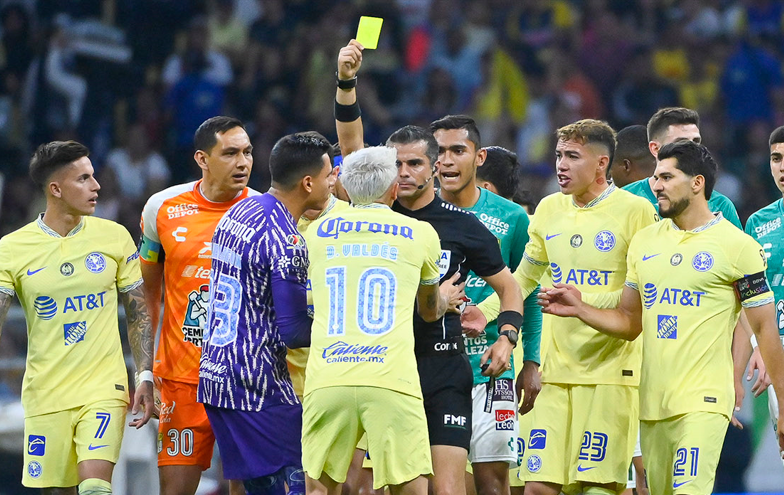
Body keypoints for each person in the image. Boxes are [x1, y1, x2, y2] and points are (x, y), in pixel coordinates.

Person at [538, 140, 784, 495]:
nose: (656, 186)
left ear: (697, 183)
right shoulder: (645, 243)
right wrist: (581, 308)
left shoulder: (737, 247)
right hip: (651, 404)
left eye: (667, 177)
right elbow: (628, 320)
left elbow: (764, 326)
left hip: (704, 402)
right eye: (655, 177)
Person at [335, 40, 525, 495]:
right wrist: (346, 83)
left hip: (442, 368)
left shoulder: (463, 226)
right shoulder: (374, 212)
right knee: (381, 488)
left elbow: (511, 289)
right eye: (395, 164)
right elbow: (350, 143)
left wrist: (506, 338)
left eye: (414, 163)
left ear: (434, 168)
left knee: (446, 488)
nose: (402, 172)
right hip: (382, 365)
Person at [463, 120, 659, 495]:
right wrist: (485, 312)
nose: (561, 165)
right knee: (539, 487)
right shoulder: (550, 208)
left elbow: (644, 296)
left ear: (602, 164)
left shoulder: (636, 212)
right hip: (555, 372)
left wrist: (584, 301)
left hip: (609, 373)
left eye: (573, 156)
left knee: (597, 488)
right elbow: (523, 278)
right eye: (558, 156)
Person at [0, 140, 154, 494]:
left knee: (95, 487)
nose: (96, 186)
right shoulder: (12, 249)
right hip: (45, 391)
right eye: (84, 178)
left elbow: (138, 311)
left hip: (104, 387)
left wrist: (144, 374)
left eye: (94, 176)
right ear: (56, 189)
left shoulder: (113, 236)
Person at [303, 145, 451, 495]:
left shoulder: (315, 233)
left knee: (318, 489)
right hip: (391, 379)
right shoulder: (421, 233)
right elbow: (429, 310)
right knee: (410, 489)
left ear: (346, 187)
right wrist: (446, 300)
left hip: (328, 378)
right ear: (394, 188)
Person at [198, 132, 335, 494]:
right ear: (308, 183)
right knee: (300, 488)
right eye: (329, 175)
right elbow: (292, 332)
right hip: (256, 387)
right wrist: (342, 324)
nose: (333, 182)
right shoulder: (287, 240)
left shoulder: (240, 210)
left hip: (215, 376)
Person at [139, 116, 257, 495]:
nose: (243, 163)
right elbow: (147, 295)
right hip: (181, 381)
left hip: (246, 380)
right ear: (202, 159)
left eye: (248, 152)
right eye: (231, 153)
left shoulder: (266, 212)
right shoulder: (162, 207)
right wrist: (144, 372)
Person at [430, 117, 543, 495]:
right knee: (437, 484)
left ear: (478, 158)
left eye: (457, 151)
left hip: (492, 371)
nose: (446, 160)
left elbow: (525, 291)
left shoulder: (512, 217)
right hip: (431, 367)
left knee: (493, 485)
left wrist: (531, 360)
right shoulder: (412, 215)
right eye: (440, 151)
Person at [622, 107, 741, 228]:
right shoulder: (625, 201)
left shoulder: (720, 205)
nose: (692, 149)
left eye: (696, 141)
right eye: (681, 142)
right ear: (655, 149)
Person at [744, 125, 784, 465]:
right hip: (779, 351)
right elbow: (750, 295)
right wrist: (760, 348)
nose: (782, 167)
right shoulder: (759, 223)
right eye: (776, 158)